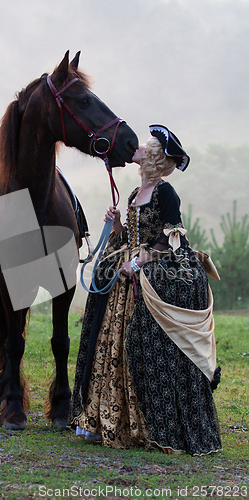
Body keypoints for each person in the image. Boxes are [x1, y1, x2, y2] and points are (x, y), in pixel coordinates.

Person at [70, 124, 222, 455]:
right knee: (109, 344)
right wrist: (118, 223)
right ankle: (106, 420)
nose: (139, 148)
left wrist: (139, 263)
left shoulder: (166, 193)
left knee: (138, 345)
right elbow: (126, 241)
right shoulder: (134, 194)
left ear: (154, 156)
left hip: (150, 276)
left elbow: (171, 238)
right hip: (126, 277)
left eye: (146, 146)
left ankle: (144, 424)